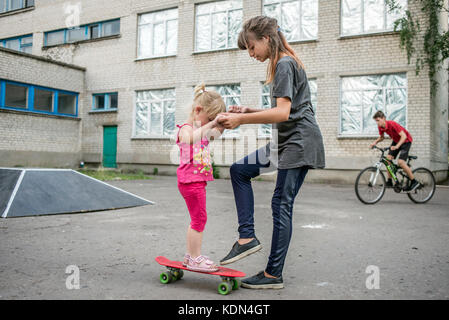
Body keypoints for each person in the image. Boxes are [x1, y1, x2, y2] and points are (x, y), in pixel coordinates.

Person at [217, 16, 325, 289]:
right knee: (239, 170)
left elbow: (283, 112)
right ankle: (246, 238)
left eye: (252, 47)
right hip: (286, 141)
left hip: (298, 142)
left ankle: (273, 274)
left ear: (266, 39)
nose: (252, 54)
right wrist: (250, 110)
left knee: (280, 204)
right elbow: (285, 109)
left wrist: (241, 121)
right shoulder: (283, 63)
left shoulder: (285, 64)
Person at [176, 83, 226, 272]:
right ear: (198, 110)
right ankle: (194, 258)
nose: (211, 123)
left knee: (198, 218)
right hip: (190, 182)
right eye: (210, 118)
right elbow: (189, 139)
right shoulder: (186, 129)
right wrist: (212, 123)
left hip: (197, 182)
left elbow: (215, 135)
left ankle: (191, 256)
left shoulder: (202, 130)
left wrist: (222, 123)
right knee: (198, 219)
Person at [370, 110, 419, 191]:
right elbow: (382, 137)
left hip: (406, 141)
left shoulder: (392, 124)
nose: (377, 123)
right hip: (396, 141)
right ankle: (389, 181)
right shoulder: (380, 127)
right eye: (376, 121)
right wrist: (375, 142)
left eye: (378, 120)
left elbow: (403, 136)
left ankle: (414, 182)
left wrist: (397, 146)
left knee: (401, 162)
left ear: (383, 118)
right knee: (387, 160)